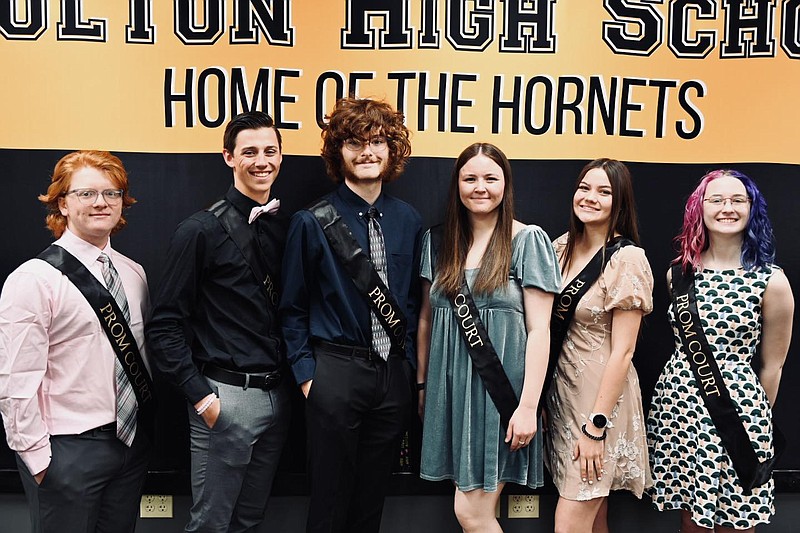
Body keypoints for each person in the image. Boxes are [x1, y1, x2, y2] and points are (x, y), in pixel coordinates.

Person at [280, 96, 422, 533]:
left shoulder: (408, 220)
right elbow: (292, 307)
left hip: (391, 375)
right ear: (337, 152)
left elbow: (415, 304)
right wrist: (308, 377)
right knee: (328, 502)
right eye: (355, 143)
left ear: (391, 150)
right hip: (335, 372)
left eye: (378, 141)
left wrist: (410, 371)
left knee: (371, 503)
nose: (367, 152)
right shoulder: (311, 220)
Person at [146, 112, 292, 532]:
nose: (261, 160)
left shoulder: (287, 225)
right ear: (229, 157)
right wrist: (204, 400)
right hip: (225, 397)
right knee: (210, 524)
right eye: (249, 151)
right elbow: (165, 326)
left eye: (270, 151)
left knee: (249, 520)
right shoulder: (199, 230)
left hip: (277, 397)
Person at [0, 150, 152, 532]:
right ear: (62, 203)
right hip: (67, 451)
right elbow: (16, 382)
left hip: (128, 446)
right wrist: (38, 460)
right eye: (86, 194)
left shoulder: (134, 275)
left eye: (112, 193)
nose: (101, 202)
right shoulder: (34, 279)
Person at [416, 143, 561, 532]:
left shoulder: (528, 240)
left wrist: (529, 406)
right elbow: (427, 321)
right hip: (449, 392)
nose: (480, 187)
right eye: (470, 178)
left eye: (490, 178)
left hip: (500, 396)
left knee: (472, 513)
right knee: (469, 511)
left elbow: (539, 331)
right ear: (457, 185)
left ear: (505, 184)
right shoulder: (437, 241)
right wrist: (422, 386)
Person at [647, 170, 794, 532]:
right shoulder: (677, 275)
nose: (727, 208)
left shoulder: (771, 280)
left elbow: (773, 366)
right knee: (691, 520)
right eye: (716, 200)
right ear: (700, 209)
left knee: (737, 520)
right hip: (679, 409)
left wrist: (750, 420)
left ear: (751, 209)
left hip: (740, 413)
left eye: (737, 200)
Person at [544, 158, 654, 533]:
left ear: (619, 202)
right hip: (563, 395)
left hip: (599, 404)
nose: (590, 197)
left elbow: (624, 351)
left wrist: (596, 428)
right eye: (584, 187)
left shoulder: (626, 259)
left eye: (604, 192)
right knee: (594, 518)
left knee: (570, 522)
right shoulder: (560, 248)